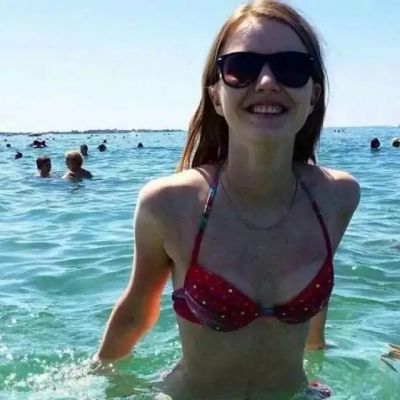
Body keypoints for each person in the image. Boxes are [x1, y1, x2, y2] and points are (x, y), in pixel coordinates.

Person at [94, 1, 360, 399]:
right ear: (216, 95)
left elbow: (318, 296)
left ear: (313, 95)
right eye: (242, 67)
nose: (267, 81)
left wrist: (317, 358)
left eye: (291, 67)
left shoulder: (336, 198)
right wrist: (96, 381)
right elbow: (135, 312)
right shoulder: (169, 205)